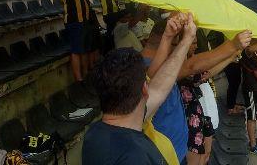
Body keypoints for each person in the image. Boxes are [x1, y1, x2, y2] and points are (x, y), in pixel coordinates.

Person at [82, 13, 196, 165]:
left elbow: (159, 88)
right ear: (144, 89)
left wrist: (171, 38)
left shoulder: (95, 133)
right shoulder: (135, 157)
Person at [142, 14, 253, 164]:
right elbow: (191, 66)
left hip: (174, 149)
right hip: (165, 154)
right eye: (180, 45)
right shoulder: (149, 68)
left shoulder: (154, 63)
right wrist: (232, 46)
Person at [58, 0, 92, 83]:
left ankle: (85, 75)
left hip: (84, 19)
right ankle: (79, 80)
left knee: (84, 48)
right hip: (73, 20)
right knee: (76, 50)